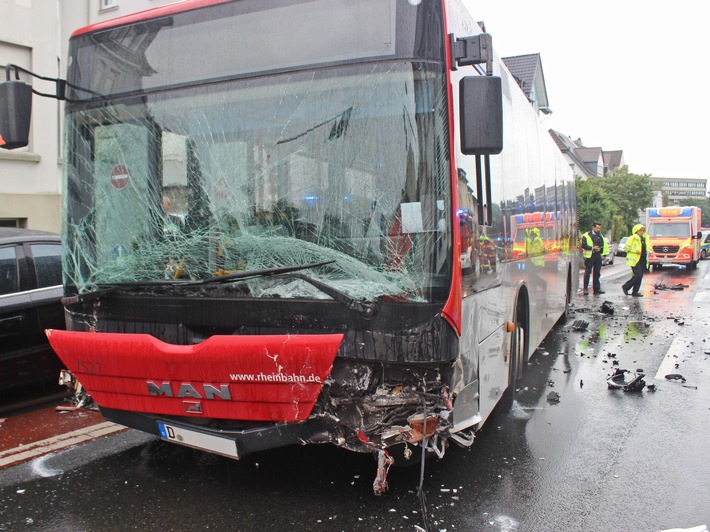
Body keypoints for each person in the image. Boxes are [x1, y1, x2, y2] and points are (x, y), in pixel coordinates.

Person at [621, 224, 650, 297]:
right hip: (635, 259)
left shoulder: (644, 238)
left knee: (640, 276)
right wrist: (635, 251)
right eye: (641, 230)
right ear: (636, 231)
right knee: (638, 275)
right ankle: (626, 286)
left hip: (642, 259)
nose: (642, 232)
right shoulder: (632, 238)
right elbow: (626, 248)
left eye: (643, 230)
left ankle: (635, 291)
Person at [580, 221, 609, 295]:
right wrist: (592, 248)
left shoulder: (600, 235)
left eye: (599, 228)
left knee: (597, 273)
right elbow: (583, 245)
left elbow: (603, 244)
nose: (598, 229)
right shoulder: (586, 235)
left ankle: (596, 289)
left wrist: (603, 252)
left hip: (598, 255)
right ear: (593, 227)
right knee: (587, 272)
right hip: (590, 256)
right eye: (597, 228)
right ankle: (585, 289)